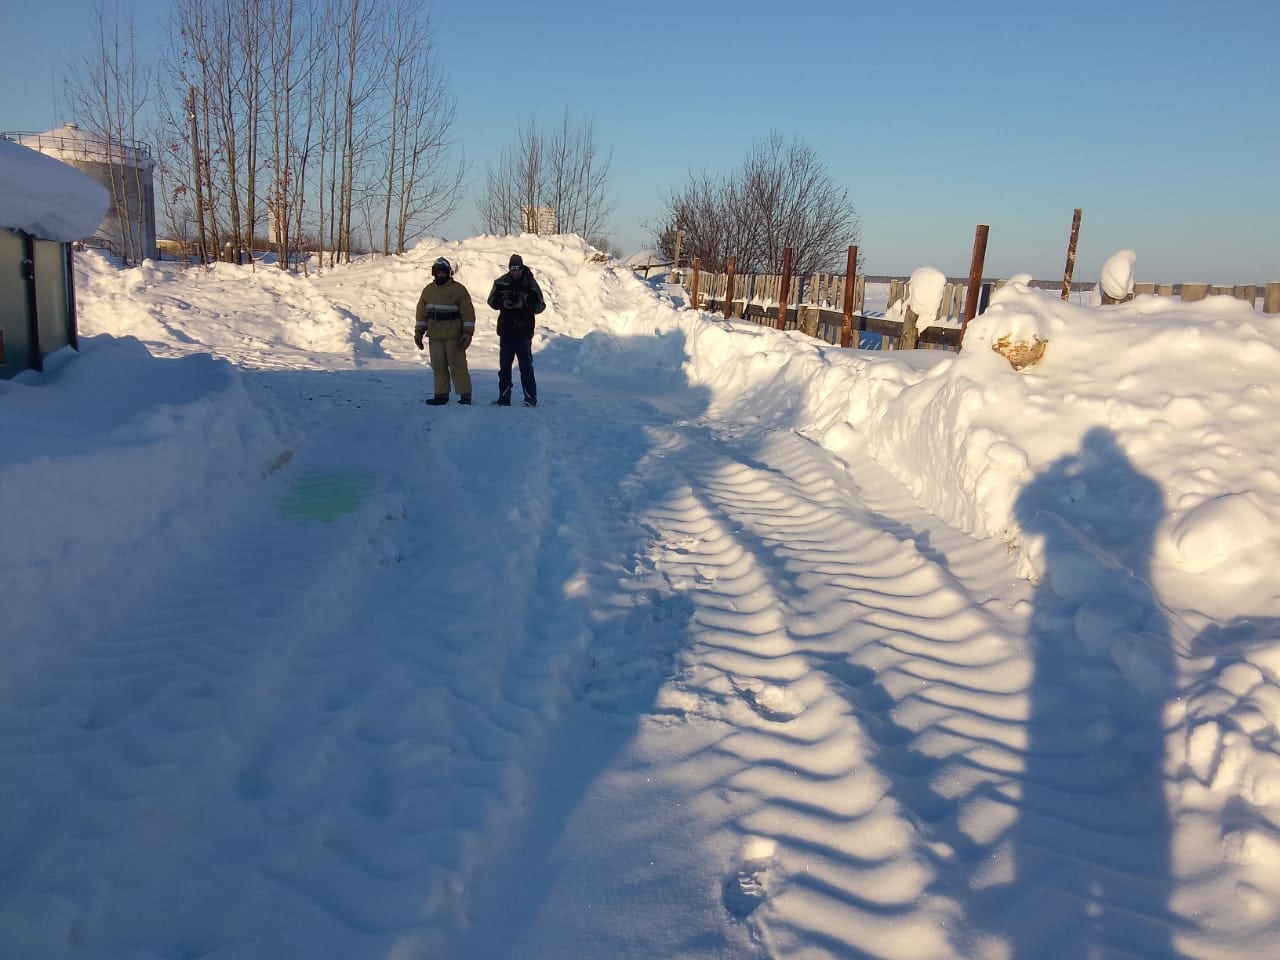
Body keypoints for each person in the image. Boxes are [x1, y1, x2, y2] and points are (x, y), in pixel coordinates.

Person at [415, 256, 476, 405]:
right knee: (438, 366)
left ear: (449, 273)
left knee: (458, 365)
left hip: (453, 335)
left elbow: (468, 313)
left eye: (443, 272)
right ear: (433, 273)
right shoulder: (428, 291)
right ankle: (441, 395)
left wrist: (467, 333)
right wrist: (419, 332)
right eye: (437, 272)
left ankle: (465, 394)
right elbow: (421, 313)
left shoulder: (458, 290)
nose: (440, 275)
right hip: (435, 335)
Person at [487, 253, 545, 406]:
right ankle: (504, 397)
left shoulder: (530, 283)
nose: (515, 273)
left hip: (523, 332)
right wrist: (502, 302)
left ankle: (530, 398)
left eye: (518, 269)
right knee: (504, 367)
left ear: (522, 268)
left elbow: (541, 305)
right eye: (512, 270)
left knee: (526, 367)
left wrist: (524, 305)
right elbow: (491, 301)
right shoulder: (501, 282)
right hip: (506, 331)